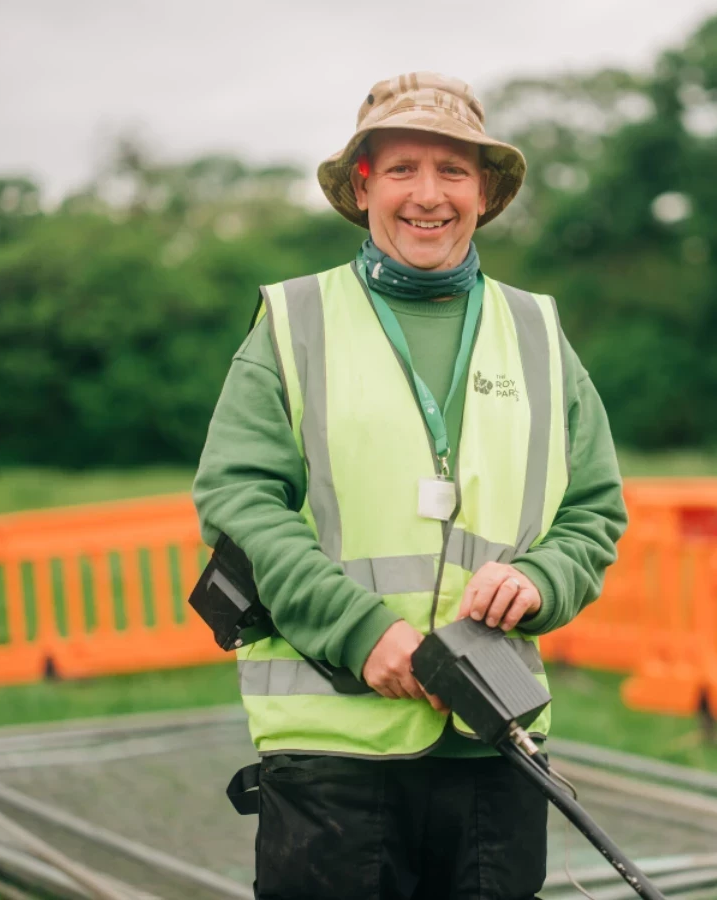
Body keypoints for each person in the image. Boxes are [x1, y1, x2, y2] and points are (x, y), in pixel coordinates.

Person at [192, 72, 628, 900]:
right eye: (401, 170)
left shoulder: (538, 331)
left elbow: (593, 513)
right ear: (362, 185)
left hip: (496, 747)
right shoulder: (292, 322)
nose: (427, 196)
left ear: (485, 190)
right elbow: (242, 508)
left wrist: (540, 579)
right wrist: (362, 632)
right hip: (331, 752)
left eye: (452, 171)